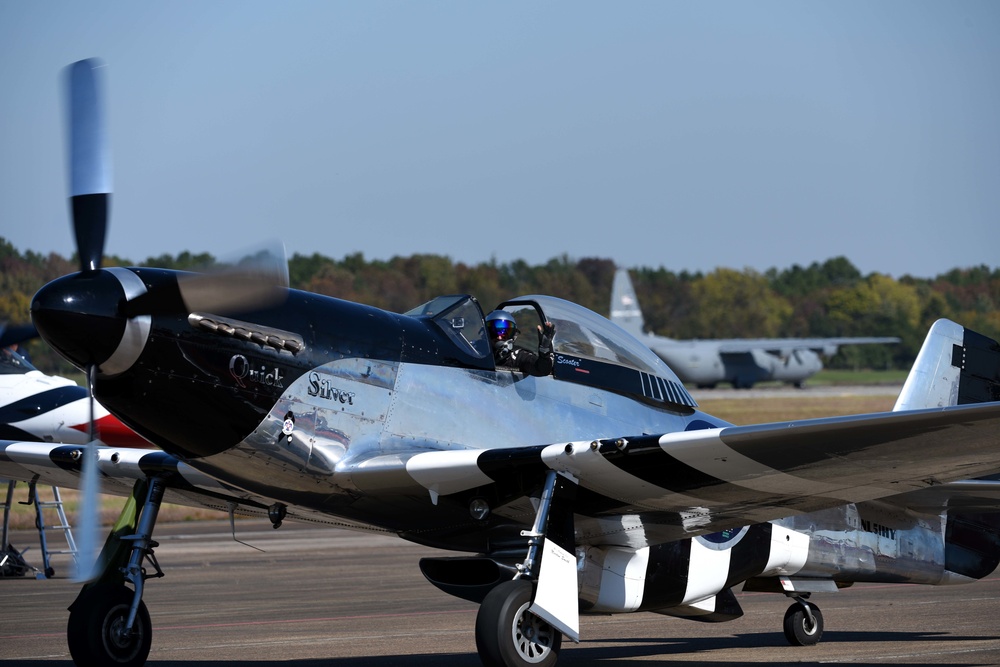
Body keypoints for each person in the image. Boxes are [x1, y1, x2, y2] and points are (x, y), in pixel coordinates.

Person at [485, 310, 555, 377]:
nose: (499, 337)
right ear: (485, 333)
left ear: (513, 335)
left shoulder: (518, 356)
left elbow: (542, 370)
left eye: (505, 333)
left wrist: (544, 350)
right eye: (493, 332)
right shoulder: (477, 351)